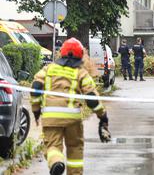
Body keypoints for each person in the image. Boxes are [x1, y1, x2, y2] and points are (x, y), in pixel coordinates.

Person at [30, 38, 111, 175]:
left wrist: (36, 110)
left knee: (52, 147)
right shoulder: (81, 73)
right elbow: (92, 98)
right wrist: (102, 116)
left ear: (61, 53)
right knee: (75, 148)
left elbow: (36, 88)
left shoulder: (48, 69)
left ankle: (57, 162)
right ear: (81, 55)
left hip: (51, 118)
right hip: (72, 119)